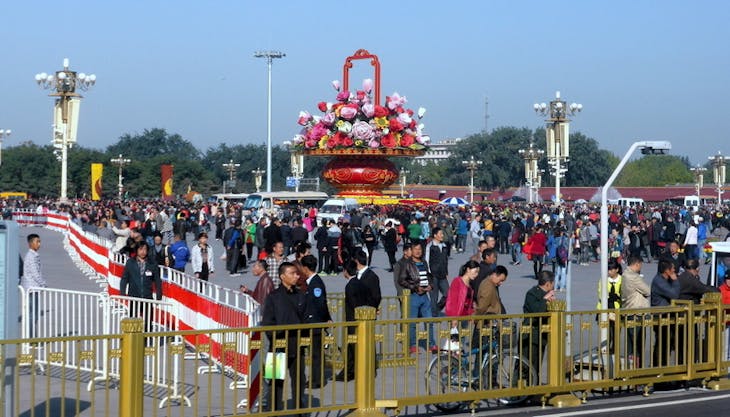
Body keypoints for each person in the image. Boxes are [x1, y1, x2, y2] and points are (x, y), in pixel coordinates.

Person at [260, 262, 307, 415]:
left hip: (297, 345)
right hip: (278, 345)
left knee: (299, 380)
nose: (296, 276)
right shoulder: (273, 297)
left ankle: (299, 410)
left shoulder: (300, 295)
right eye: (292, 273)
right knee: (275, 382)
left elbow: (305, 319)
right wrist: (278, 334)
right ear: (282, 277)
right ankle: (273, 410)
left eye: (297, 273)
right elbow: (267, 322)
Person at [397, 243, 436, 354]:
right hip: (414, 295)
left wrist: (431, 285)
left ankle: (431, 344)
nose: (418, 251)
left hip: (425, 295)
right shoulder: (407, 264)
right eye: (416, 249)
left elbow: (429, 276)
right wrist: (415, 287)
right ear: (411, 250)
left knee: (429, 321)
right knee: (412, 323)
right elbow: (402, 280)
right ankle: (413, 345)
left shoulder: (424, 262)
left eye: (420, 249)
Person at [300, 255, 331, 389]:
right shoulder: (311, 282)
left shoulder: (316, 283)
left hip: (315, 322)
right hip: (312, 321)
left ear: (306, 268)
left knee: (316, 353)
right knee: (313, 352)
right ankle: (314, 378)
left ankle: (316, 380)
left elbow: (320, 304)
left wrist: (325, 319)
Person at [119, 242, 163, 332]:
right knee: (133, 320)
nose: (143, 252)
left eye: (145, 249)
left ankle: (146, 341)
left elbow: (157, 281)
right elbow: (124, 278)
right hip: (134, 297)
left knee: (147, 322)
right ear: (137, 250)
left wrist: (159, 296)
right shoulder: (130, 262)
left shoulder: (152, 263)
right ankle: (133, 340)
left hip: (147, 297)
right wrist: (122, 293)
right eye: (141, 249)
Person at [335, 260, 367, 382]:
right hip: (361, 318)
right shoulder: (360, 283)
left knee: (352, 347)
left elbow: (353, 304)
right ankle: (353, 370)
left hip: (353, 320)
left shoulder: (350, 286)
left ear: (345, 272)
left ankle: (350, 372)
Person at [522, 270, 555, 378]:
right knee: (525, 364)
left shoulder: (547, 295)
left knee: (536, 364)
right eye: (553, 283)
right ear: (548, 284)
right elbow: (537, 310)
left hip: (541, 335)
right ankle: (518, 389)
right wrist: (545, 300)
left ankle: (533, 385)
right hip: (530, 334)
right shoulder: (532, 293)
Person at [621, 256, 650, 365]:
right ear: (637, 264)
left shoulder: (624, 274)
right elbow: (647, 291)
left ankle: (630, 368)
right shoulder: (633, 277)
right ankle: (636, 370)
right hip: (637, 312)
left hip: (628, 311)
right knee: (637, 344)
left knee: (630, 344)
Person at [650, 260, 679, 368]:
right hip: (661, 316)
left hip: (667, 316)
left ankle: (663, 366)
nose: (674, 270)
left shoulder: (665, 280)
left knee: (667, 343)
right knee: (662, 343)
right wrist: (675, 281)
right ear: (667, 271)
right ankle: (658, 367)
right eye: (672, 269)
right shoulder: (659, 281)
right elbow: (674, 294)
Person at [21, 233, 47, 338]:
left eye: (39, 241)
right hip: (32, 288)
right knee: (33, 315)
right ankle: (31, 338)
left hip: (33, 288)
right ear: (31, 243)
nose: (39, 244)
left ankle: (31, 337)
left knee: (32, 314)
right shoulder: (31, 256)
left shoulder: (32, 255)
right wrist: (43, 284)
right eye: (37, 242)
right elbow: (35, 273)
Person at [596, 259, 622, 352]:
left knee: (616, 330)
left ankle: (614, 348)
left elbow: (624, 294)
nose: (609, 272)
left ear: (617, 269)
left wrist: (618, 296)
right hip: (605, 308)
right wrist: (608, 297)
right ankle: (604, 347)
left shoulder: (622, 280)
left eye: (611, 269)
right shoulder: (603, 280)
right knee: (605, 330)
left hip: (617, 309)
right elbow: (600, 293)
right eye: (608, 270)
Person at [425, 227, 449, 316]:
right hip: (433, 274)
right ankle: (434, 314)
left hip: (442, 274)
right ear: (435, 235)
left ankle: (438, 308)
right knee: (434, 296)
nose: (442, 235)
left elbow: (445, 260)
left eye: (442, 234)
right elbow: (426, 260)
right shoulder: (430, 246)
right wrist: (429, 273)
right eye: (440, 234)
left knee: (448, 294)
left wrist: (446, 271)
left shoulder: (444, 246)